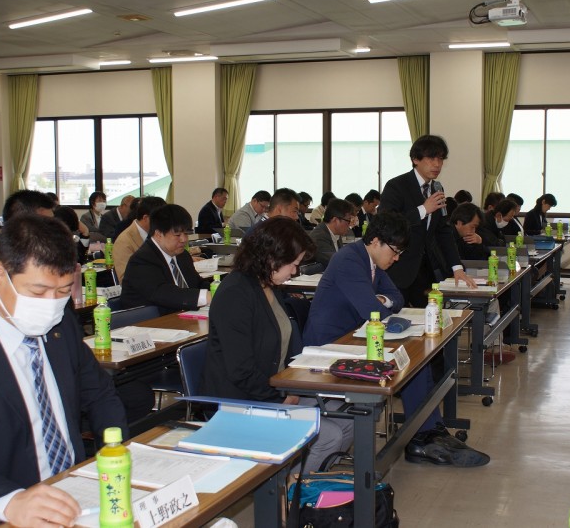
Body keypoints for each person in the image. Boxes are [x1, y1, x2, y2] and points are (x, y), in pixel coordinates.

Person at [0, 214, 127, 524]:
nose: (50, 305)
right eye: (38, 292)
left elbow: (99, 393)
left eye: (62, 291)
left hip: (75, 492)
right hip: (2, 510)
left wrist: (115, 450)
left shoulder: (61, 324)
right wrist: (9, 502)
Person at [302, 211, 489, 467]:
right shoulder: (349, 259)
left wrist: (382, 299)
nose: (397, 258)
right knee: (408, 360)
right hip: (331, 347)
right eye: (395, 251)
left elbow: (396, 298)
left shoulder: (372, 261)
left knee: (417, 361)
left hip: (357, 337)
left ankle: (427, 432)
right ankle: (423, 436)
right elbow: (373, 311)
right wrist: (380, 304)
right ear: (376, 241)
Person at [199, 217, 353, 473]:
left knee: (349, 420)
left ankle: (306, 484)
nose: (294, 272)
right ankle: (287, 489)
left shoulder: (269, 287)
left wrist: (299, 381)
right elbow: (241, 371)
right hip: (241, 400)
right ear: (271, 258)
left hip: (274, 388)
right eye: (293, 264)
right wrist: (281, 395)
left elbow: (285, 348)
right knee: (329, 435)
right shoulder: (235, 293)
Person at [378, 134, 476, 307]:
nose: (437, 164)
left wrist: (457, 267)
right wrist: (423, 209)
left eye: (441, 159)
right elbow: (386, 224)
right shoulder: (396, 186)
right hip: (398, 270)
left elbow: (443, 231)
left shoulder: (437, 188)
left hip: (426, 270)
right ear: (415, 159)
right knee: (395, 317)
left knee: (430, 318)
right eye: (431, 158)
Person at [120, 204, 210, 314]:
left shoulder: (182, 255)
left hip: (183, 317)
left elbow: (197, 283)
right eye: (177, 235)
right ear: (158, 234)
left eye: (186, 234)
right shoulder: (142, 260)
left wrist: (217, 290)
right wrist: (203, 297)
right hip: (151, 321)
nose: (184, 239)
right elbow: (163, 293)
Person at [113, 196, 166, 280]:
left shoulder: (158, 234)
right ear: (145, 218)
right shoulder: (124, 241)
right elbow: (126, 279)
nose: (163, 223)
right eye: (159, 219)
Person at [309, 198, 354, 268]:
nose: (350, 224)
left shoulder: (336, 234)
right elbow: (337, 261)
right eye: (348, 221)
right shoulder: (318, 237)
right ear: (335, 220)